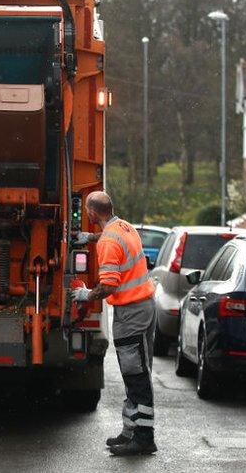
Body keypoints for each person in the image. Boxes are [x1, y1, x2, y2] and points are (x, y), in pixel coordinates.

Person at [72, 191, 157, 456]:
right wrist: (91, 237)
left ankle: (144, 438)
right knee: (137, 372)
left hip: (131, 312)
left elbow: (109, 284)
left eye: (87, 210)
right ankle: (130, 430)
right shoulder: (124, 227)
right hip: (143, 307)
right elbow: (111, 238)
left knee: (136, 375)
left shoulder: (109, 241)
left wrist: (87, 294)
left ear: (92, 213)